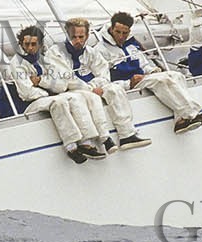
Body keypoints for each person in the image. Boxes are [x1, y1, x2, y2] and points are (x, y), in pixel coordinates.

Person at [100, 12, 202, 134]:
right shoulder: (101, 50)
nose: (121, 36)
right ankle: (191, 114)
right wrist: (128, 83)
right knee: (160, 80)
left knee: (177, 75)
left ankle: (180, 120)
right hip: (129, 84)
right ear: (111, 29)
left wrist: (153, 70)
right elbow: (104, 81)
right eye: (118, 32)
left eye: (125, 33)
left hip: (143, 78)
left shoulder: (131, 45)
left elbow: (144, 65)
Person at [7, 26, 109, 164]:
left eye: (33, 44)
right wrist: (48, 90)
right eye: (26, 44)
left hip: (53, 95)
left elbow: (61, 85)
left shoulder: (45, 60)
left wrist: (41, 82)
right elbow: (27, 92)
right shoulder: (16, 64)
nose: (30, 48)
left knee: (76, 97)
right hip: (30, 104)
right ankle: (71, 146)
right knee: (59, 102)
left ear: (40, 44)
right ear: (21, 44)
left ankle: (86, 141)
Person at [62, 18, 149, 149]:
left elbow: (103, 74)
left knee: (114, 89)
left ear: (87, 35)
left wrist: (97, 86)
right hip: (73, 93)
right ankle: (99, 140)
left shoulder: (92, 52)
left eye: (81, 36)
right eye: (74, 37)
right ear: (67, 35)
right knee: (89, 98)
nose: (78, 41)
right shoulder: (57, 53)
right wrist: (91, 89)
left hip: (96, 88)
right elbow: (66, 80)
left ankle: (126, 134)